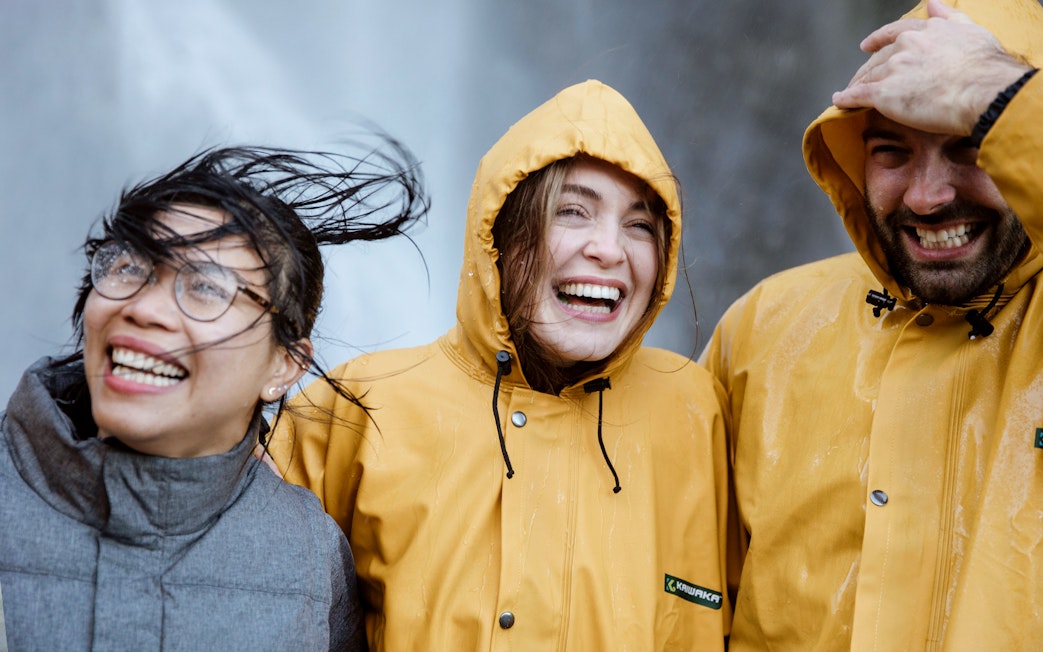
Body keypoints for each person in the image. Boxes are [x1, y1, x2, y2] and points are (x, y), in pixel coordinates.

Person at [269, 80, 734, 650]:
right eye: (572, 211)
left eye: (639, 225)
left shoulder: (697, 409)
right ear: (499, 235)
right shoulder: (357, 407)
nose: (610, 249)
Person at [700, 0, 1043, 648]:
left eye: (970, 146)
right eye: (891, 152)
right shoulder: (765, 327)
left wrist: (989, 88)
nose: (924, 196)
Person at [0, 140, 428, 650]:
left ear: (283, 364)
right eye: (129, 268)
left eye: (205, 286)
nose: (144, 309)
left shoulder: (309, 554)